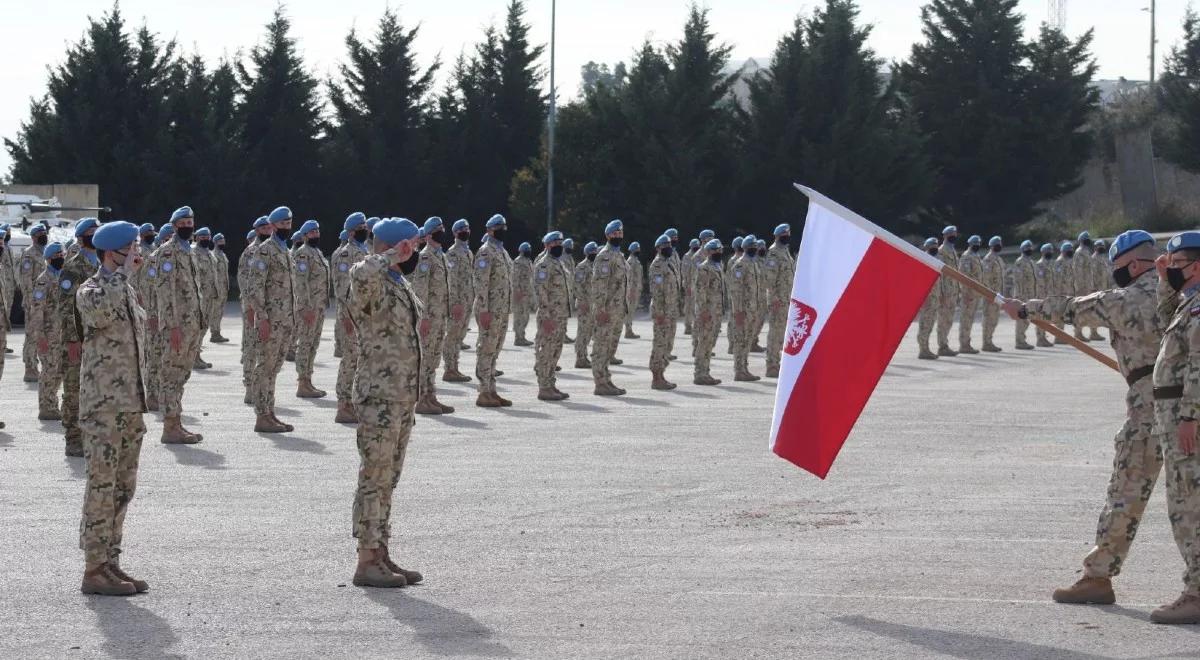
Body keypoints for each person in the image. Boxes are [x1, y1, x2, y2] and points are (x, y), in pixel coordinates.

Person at [1003, 230, 1165, 608]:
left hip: (1151, 408)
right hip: (1185, 398)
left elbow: (1075, 307)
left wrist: (1024, 309)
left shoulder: (1128, 298)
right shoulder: (1182, 295)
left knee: (1126, 492)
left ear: (1136, 265)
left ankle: (1098, 577)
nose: (1116, 274)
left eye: (1120, 267)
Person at [347, 217, 425, 589]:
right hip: (378, 395)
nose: (417, 254)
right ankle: (366, 560)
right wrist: (390, 254)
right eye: (412, 246)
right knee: (373, 477)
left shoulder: (398, 283)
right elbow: (359, 274)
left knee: (388, 478)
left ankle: (381, 551)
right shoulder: (373, 280)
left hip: (400, 395)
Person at [75, 221, 150, 596]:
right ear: (111, 254)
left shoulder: (128, 291)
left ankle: (111, 561)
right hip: (102, 407)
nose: (136, 256)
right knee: (102, 488)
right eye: (129, 250)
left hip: (130, 406)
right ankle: (93, 568)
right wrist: (121, 276)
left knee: (123, 488)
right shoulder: (90, 291)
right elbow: (99, 314)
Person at [1144, 231, 1200, 623]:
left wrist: (1190, 417)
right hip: (1174, 412)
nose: (1170, 266)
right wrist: (1166, 279)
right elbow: (1163, 320)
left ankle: (1197, 592)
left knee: (1188, 507)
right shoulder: (1188, 304)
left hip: (1185, 417)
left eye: (1176, 263)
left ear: (1196, 266)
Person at [151, 207, 206, 443]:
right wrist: (172, 326)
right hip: (177, 327)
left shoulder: (189, 251)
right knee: (171, 375)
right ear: (174, 226)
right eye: (182, 222)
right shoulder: (167, 253)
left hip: (192, 325)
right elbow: (165, 292)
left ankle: (176, 422)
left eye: (190, 221)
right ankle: (169, 427)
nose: (187, 225)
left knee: (181, 375)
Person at [244, 206, 297, 433]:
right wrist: (262, 318)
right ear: (273, 226)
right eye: (282, 224)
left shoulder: (285, 250)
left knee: (274, 368)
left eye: (289, 223)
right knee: (264, 366)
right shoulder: (265, 251)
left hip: (285, 319)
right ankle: (261, 415)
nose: (286, 227)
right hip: (271, 319)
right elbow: (254, 286)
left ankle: (269, 412)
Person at [55, 217, 102, 457]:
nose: (94, 236)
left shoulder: (104, 263)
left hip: (98, 337)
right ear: (81, 238)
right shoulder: (72, 266)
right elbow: (65, 305)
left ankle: (91, 435)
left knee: (96, 388)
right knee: (74, 388)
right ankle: (73, 438)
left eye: (98, 231)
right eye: (90, 232)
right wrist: (73, 339)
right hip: (77, 337)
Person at [411, 217, 455, 415]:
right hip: (430, 317)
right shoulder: (425, 258)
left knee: (434, 357)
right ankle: (421, 399)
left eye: (442, 228)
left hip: (440, 316)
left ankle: (431, 396)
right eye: (437, 229)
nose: (442, 231)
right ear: (428, 236)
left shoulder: (442, 256)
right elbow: (420, 290)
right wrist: (424, 317)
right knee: (426, 358)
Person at [333, 212, 371, 423]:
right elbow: (341, 288)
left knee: (361, 361)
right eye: (360, 227)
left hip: (365, 316)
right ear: (350, 232)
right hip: (351, 316)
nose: (364, 229)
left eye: (365, 225)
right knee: (350, 360)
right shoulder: (345, 254)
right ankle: (343, 405)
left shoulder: (366, 251)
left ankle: (355, 402)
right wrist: (346, 316)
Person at [474, 214, 514, 407]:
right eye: (498, 226)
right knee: (486, 349)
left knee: (494, 350)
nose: (502, 229)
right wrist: (483, 310)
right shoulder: (486, 251)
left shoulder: (502, 251)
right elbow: (481, 283)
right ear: (489, 230)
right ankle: (483, 392)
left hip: (501, 310)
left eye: (504, 226)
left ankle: (491, 390)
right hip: (489, 310)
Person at [590, 220, 631, 396]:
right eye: (615, 233)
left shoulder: (619, 255)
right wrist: (600, 309)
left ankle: (606, 379)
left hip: (617, 309)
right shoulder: (604, 256)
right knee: (601, 346)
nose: (618, 236)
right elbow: (600, 285)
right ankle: (600, 383)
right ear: (607, 235)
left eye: (620, 233)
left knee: (609, 347)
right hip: (606, 310)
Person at [293, 219, 330, 399]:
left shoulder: (317, 252)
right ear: (305, 236)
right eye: (312, 232)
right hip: (309, 307)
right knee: (305, 344)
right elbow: (300, 282)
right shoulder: (303, 254)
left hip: (319, 306)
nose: (315, 234)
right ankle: (302, 382)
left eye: (317, 231)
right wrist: (305, 307)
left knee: (313, 345)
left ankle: (308, 380)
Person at [533, 231, 572, 401]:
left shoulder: (559, 263)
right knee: (546, 352)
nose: (558, 245)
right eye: (555, 243)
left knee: (555, 352)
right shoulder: (544, 265)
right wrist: (546, 316)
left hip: (560, 316)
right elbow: (541, 293)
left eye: (560, 242)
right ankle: (543, 387)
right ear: (547, 245)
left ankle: (551, 384)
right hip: (549, 316)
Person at [32, 242, 66, 420]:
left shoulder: (63, 277)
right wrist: (40, 337)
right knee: (49, 371)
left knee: (59, 371)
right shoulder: (43, 280)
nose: (62, 257)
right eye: (58, 255)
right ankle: (46, 407)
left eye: (63, 254)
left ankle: (53, 404)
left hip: (61, 334)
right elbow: (37, 310)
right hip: (48, 334)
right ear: (49, 258)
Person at [239, 218, 271, 404]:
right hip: (254, 308)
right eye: (263, 228)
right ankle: (250, 387)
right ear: (257, 230)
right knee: (251, 347)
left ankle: (262, 389)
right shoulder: (252, 251)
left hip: (271, 308)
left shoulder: (273, 249)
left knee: (265, 349)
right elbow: (245, 282)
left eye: (269, 227)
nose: (267, 230)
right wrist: (251, 307)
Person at [442, 219, 475, 383]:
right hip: (458, 302)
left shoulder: (468, 252)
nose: (466, 231)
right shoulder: (453, 253)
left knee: (459, 336)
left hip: (467, 301)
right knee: (452, 335)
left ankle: (455, 367)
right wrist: (455, 303)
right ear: (455, 233)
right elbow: (452, 280)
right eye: (462, 229)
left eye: (467, 228)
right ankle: (449, 368)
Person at [648, 234, 681, 390]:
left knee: (667, 343)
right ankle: (656, 378)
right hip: (662, 312)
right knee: (660, 343)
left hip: (670, 310)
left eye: (669, 244)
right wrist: (660, 313)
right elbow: (657, 292)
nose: (668, 247)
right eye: (664, 245)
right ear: (658, 248)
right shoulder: (657, 266)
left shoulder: (669, 264)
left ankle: (661, 374)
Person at [693, 239, 726, 386]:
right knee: (704, 343)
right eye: (715, 250)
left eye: (719, 250)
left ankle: (705, 372)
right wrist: (703, 311)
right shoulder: (704, 268)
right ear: (708, 252)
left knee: (709, 343)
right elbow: (701, 292)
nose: (718, 252)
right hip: (707, 313)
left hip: (716, 312)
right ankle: (700, 373)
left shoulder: (718, 266)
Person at [729, 234, 761, 381]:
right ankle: (739, 370)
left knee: (747, 340)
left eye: (755, 247)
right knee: (741, 340)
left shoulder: (753, 264)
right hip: (743, 311)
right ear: (745, 248)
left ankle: (744, 368)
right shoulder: (740, 265)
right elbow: (735, 291)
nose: (754, 249)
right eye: (751, 247)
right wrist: (738, 311)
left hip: (752, 309)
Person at [764, 226, 795, 377]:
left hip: (786, 299)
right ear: (777, 236)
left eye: (788, 234)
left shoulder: (785, 251)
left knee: (782, 333)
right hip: (778, 300)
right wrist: (774, 298)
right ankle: (772, 366)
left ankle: (778, 363)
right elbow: (769, 280)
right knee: (775, 333)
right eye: (784, 234)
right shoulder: (774, 253)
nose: (787, 236)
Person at [191, 227, 219, 370]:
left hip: (210, 297)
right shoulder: (193, 253)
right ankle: (193, 358)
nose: (206, 239)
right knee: (197, 328)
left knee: (204, 326)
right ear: (196, 238)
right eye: (202, 237)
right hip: (199, 297)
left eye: (208, 236)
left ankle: (197, 355)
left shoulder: (210, 254)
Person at [935, 226, 961, 356]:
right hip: (945, 292)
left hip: (953, 291)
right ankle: (942, 346)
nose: (954, 236)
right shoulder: (941, 251)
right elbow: (938, 274)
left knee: (949, 319)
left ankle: (945, 344)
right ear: (945, 235)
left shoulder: (952, 250)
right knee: (943, 319)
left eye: (955, 233)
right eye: (952, 234)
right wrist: (941, 293)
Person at [574, 242, 599, 369]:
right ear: (587, 253)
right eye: (592, 252)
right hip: (584, 304)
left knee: (589, 331)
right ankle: (580, 358)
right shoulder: (582, 267)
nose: (594, 254)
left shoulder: (596, 267)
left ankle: (584, 356)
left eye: (595, 252)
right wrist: (582, 301)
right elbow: (578, 286)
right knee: (583, 331)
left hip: (593, 305)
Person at [916, 238, 942, 360]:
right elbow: (919, 282)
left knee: (930, 324)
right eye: (932, 246)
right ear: (926, 247)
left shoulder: (936, 260)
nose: (935, 248)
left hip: (934, 298)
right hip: (927, 299)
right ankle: (923, 350)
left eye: (936, 245)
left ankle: (926, 349)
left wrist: (940, 295)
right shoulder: (923, 260)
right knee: (924, 324)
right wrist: (923, 298)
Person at [980, 236, 1006, 352]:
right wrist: (989, 295)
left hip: (998, 296)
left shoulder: (999, 259)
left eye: (1000, 243)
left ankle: (989, 341)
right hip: (991, 295)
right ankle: (986, 343)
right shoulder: (988, 260)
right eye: (996, 244)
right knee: (988, 319)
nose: (999, 245)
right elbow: (985, 279)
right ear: (991, 246)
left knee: (994, 319)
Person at [511, 241, 536, 347]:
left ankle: (522, 336)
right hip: (520, 293)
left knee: (525, 316)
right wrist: (517, 291)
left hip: (527, 293)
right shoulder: (518, 262)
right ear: (521, 251)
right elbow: (514, 278)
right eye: (526, 250)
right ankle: (518, 338)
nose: (528, 252)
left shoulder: (529, 261)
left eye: (528, 250)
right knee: (519, 316)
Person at [1034, 243, 1057, 347]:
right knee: (1041, 317)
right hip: (1042, 295)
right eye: (1048, 251)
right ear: (1042, 252)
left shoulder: (1051, 264)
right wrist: (1043, 297)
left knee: (1047, 317)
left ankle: (1043, 337)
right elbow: (1040, 282)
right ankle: (1040, 338)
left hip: (1050, 295)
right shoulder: (1039, 265)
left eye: (1051, 251)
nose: (1050, 253)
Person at [209, 233, 230, 343]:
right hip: (217, 289)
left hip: (224, 288)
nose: (222, 243)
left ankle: (217, 332)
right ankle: (214, 333)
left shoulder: (223, 255)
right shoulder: (213, 255)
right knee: (215, 311)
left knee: (220, 311)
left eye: (223, 241)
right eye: (220, 241)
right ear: (215, 242)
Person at [625, 241, 643, 340]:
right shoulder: (631, 262)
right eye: (637, 249)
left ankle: (629, 328)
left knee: (632, 310)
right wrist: (631, 290)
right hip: (632, 290)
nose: (638, 251)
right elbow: (629, 277)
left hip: (636, 289)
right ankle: (628, 330)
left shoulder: (636, 260)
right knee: (630, 311)